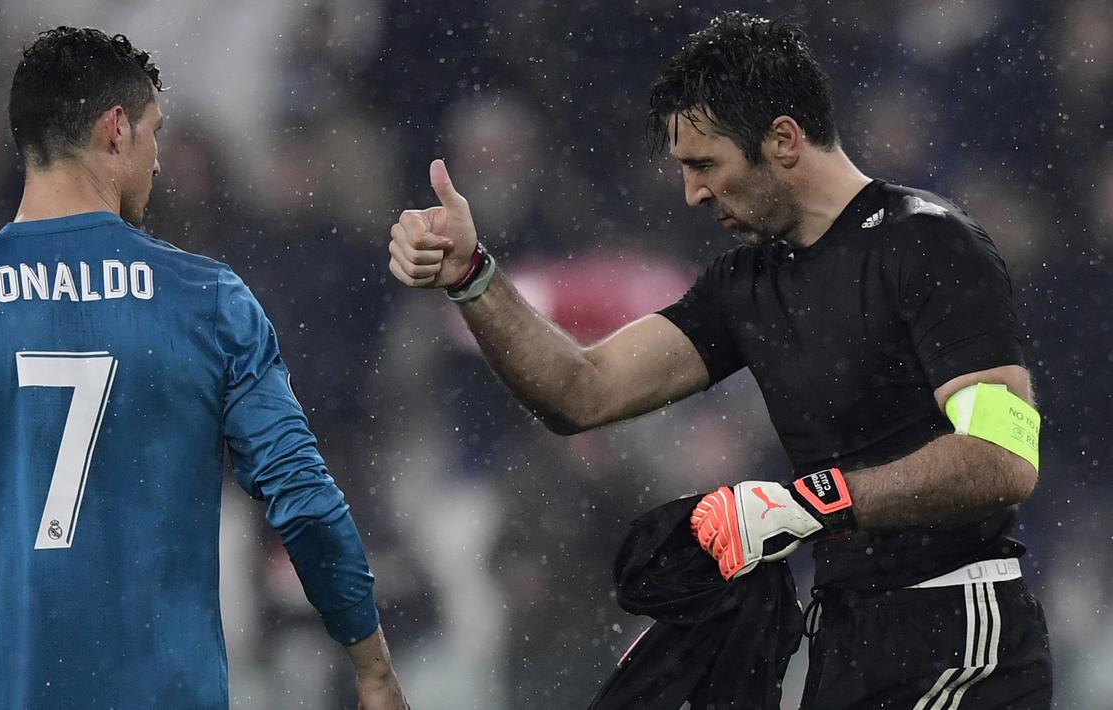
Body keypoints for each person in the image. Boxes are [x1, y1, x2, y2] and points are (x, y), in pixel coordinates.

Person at [387, 11, 1050, 709]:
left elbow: (1003, 455)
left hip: (958, 627)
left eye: (705, 165)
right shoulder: (745, 285)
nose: (692, 192)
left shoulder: (928, 243)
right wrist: (474, 278)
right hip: (842, 629)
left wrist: (809, 502)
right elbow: (581, 392)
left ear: (783, 140)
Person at [0, 26, 409, 710]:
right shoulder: (207, 300)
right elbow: (303, 498)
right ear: (116, 130)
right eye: (154, 132)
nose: (158, 161)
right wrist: (371, 664)